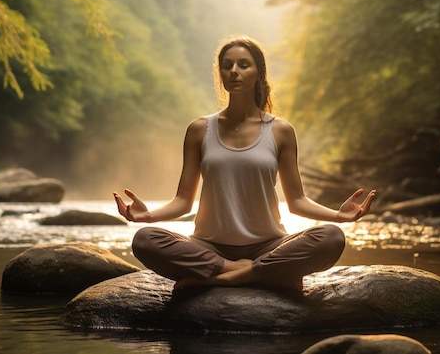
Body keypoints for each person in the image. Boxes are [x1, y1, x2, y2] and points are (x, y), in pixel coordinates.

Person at [114, 37, 376, 290]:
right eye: (227, 66)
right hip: (209, 246)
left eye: (243, 65)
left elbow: (296, 201)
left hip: (269, 244)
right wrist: (148, 216)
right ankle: (252, 271)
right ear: (220, 74)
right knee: (145, 240)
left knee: (331, 237)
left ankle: (226, 278)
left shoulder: (280, 130)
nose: (234, 72)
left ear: (259, 74)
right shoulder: (199, 129)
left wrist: (338, 216)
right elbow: (183, 201)